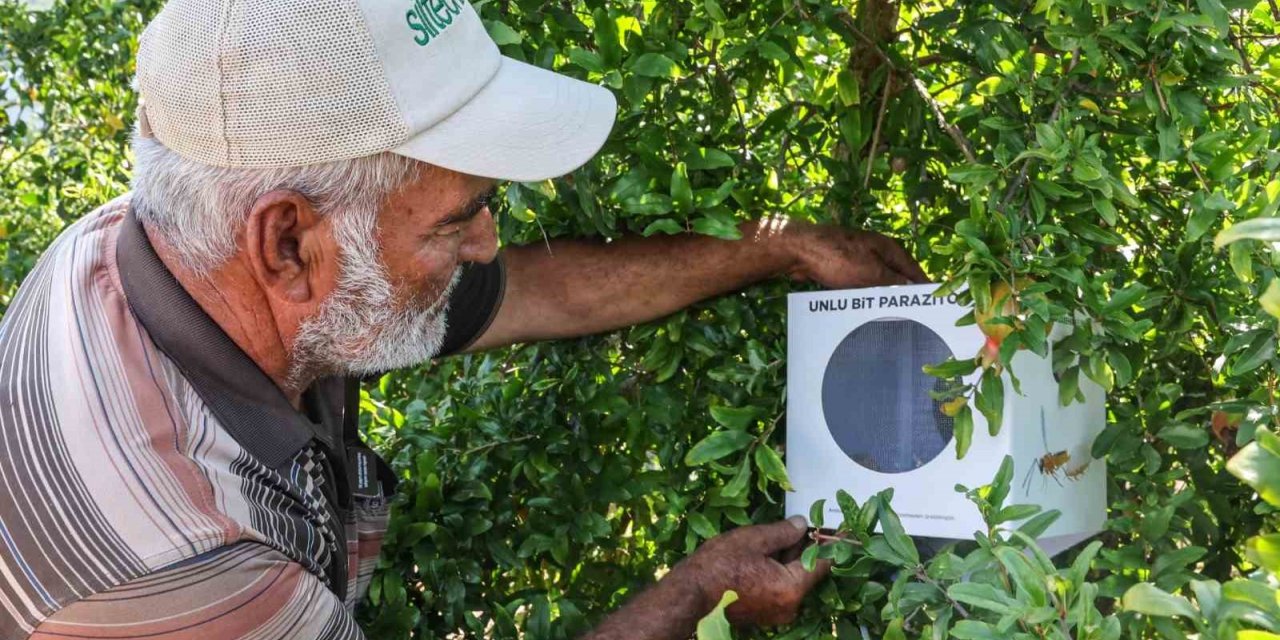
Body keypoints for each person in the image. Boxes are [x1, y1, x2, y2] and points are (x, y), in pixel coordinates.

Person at [0, 0, 927, 638]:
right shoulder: (183, 564)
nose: (488, 243)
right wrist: (692, 596)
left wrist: (780, 247)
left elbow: (529, 291)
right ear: (287, 244)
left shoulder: (172, 244)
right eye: (459, 217)